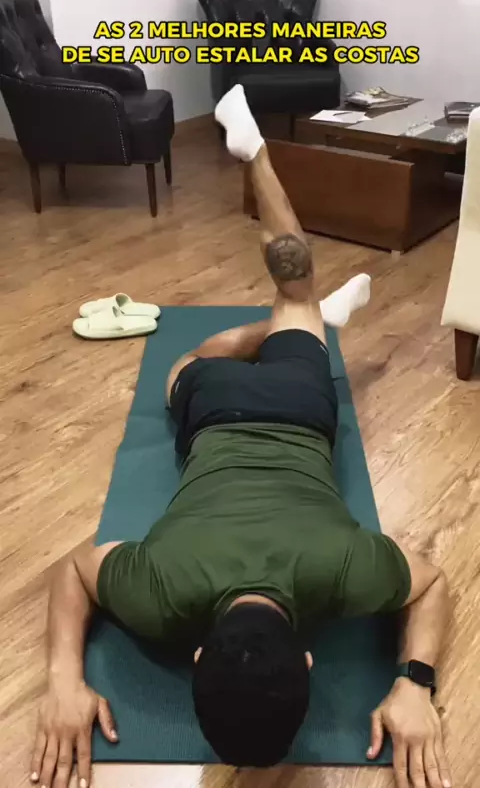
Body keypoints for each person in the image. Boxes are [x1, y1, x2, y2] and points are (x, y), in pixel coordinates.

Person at [31, 86, 451, 788]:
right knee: (194, 363)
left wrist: (416, 680)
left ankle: (292, 269)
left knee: (289, 295)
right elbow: (74, 572)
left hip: (300, 408)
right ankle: (302, 296)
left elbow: (430, 583)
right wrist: (63, 680)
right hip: (215, 409)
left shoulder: (345, 569)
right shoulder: (158, 591)